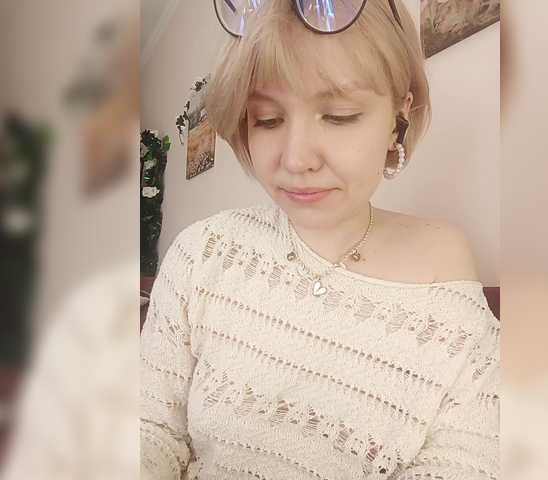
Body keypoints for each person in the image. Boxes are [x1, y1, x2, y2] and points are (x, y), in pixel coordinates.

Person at [140, 0, 499, 478]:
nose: (296, 159)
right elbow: (151, 429)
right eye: (267, 119)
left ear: (399, 115)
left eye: (339, 115)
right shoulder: (202, 253)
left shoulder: (442, 269)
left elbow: (465, 461)